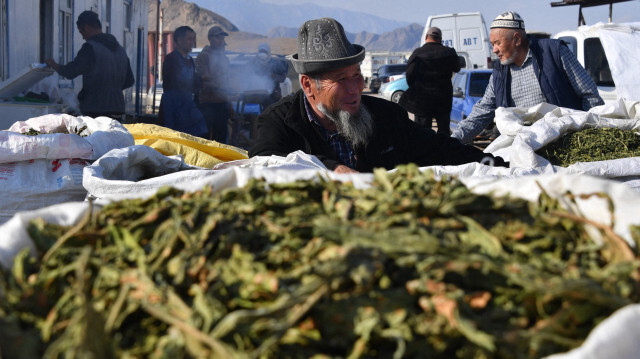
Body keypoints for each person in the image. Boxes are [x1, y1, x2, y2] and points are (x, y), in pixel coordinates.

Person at [249, 17, 507, 173]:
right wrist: (328, 167)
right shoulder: (278, 123)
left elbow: (438, 148)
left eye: (357, 76)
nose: (355, 89)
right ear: (307, 85)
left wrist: (499, 165)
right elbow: (265, 163)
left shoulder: (386, 116)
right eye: (340, 80)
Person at [451, 11, 604, 144]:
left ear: (517, 39)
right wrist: (452, 141)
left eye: (497, 43)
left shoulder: (554, 52)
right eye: (492, 44)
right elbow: (482, 111)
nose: (495, 50)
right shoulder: (500, 72)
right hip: (524, 146)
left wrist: (587, 134)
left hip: (564, 141)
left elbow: (589, 95)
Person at [45, 10, 134, 120]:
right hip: (118, 107)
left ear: (86, 27)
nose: (83, 37)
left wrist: (54, 65)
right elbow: (129, 80)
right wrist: (112, 89)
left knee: (95, 137)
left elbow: (71, 71)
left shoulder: (91, 48)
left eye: (81, 32)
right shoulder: (120, 50)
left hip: (96, 108)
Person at [398, 27, 461, 135]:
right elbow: (457, 68)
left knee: (422, 132)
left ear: (427, 37)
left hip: (422, 100)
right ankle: (444, 151)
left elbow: (409, 75)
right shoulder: (449, 53)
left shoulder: (417, 53)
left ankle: (425, 151)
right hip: (443, 99)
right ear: (440, 39)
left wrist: (416, 88)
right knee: (444, 131)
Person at [158, 26, 208, 137]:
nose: (192, 42)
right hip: (173, 105)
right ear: (179, 40)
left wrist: (201, 81)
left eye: (193, 39)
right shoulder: (171, 59)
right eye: (189, 39)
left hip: (186, 104)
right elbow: (177, 82)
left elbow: (194, 83)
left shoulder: (190, 60)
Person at [195, 25, 233, 143]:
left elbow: (228, 80)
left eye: (222, 38)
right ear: (210, 38)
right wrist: (221, 84)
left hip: (222, 102)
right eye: (218, 38)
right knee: (205, 136)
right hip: (208, 102)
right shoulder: (204, 56)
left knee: (221, 136)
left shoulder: (225, 59)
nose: (221, 41)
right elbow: (204, 76)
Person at [249, 42, 289, 109]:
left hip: (273, 95)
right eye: (261, 51)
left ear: (268, 52)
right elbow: (248, 75)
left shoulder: (276, 64)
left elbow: (283, 78)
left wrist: (274, 76)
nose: (262, 53)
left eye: (264, 51)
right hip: (257, 94)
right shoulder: (253, 63)